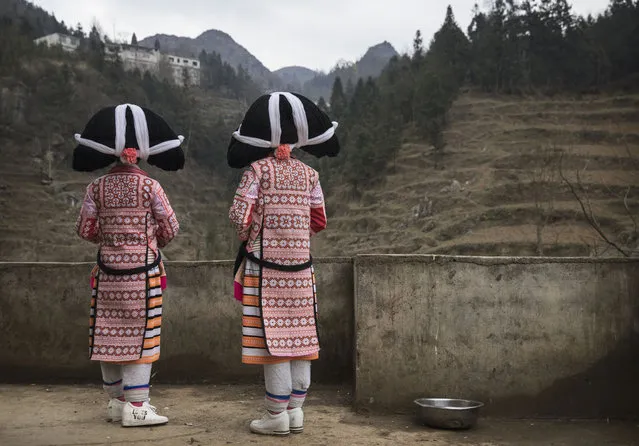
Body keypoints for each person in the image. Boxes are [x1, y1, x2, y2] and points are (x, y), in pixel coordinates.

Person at [228, 92, 340, 435]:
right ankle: (296, 412)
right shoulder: (310, 175)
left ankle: (276, 416)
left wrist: (253, 233)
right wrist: (296, 238)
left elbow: (238, 216)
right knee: (301, 338)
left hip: (264, 269)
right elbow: (319, 219)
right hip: (301, 270)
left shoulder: (256, 172)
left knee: (271, 341)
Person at [73, 103, 185, 427]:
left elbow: (85, 229)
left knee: (108, 334)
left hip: (107, 275)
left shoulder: (96, 188)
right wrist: (151, 242)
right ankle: (137, 406)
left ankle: (115, 402)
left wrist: (110, 241)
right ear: (139, 155)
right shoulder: (151, 187)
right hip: (143, 277)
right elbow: (171, 227)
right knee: (142, 337)